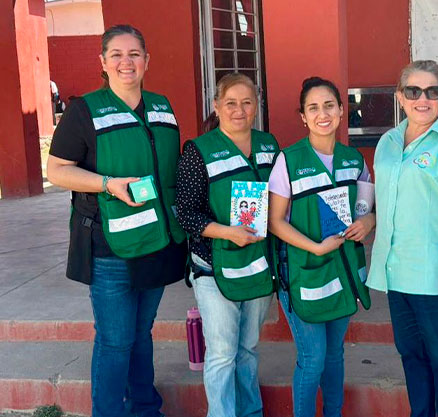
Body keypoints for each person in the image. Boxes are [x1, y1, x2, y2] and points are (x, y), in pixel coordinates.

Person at [47, 25, 187, 417]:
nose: (127, 62)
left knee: (141, 334)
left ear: (147, 60)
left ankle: (145, 408)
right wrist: (107, 183)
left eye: (134, 54)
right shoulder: (84, 110)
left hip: (157, 243)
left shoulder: (162, 107)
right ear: (103, 62)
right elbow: (56, 170)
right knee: (116, 340)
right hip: (110, 248)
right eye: (117, 55)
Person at [366, 60, 438, 417]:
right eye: (413, 91)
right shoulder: (387, 143)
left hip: (436, 276)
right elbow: (387, 201)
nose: (423, 99)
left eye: (432, 91)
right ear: (400, 96)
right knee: (411, 355)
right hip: (396, 272)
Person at [268, 76, 375, 417]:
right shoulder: (288, 160)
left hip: (344, 272)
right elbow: (275, 221)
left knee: (334, 354)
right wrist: (314, 248)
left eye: (329, 106)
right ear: (303, 117)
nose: (322, 114)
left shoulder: (353, 159)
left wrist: (368, 222)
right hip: (305, 273)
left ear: (342, 110)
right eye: (313, 108)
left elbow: (368, 209)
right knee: (312, 358)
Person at [175, 73, 279, 417]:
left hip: (258, 264)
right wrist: (227, 232)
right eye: (231, 103)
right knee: (221, 353)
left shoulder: (269, 146)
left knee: (248, 349)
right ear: (216, 106)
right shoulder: (199, 150)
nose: (239, 110)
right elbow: (185, 214)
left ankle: (251, 412)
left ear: (256, 106)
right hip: (213, 267)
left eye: (247, 102)